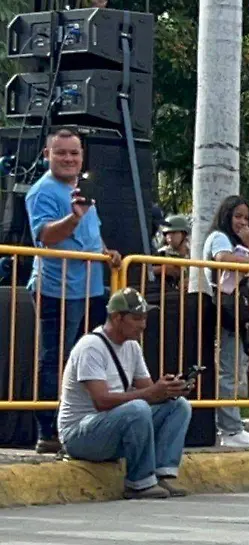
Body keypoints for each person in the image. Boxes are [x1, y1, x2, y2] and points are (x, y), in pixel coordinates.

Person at [25, 127, 123, 454]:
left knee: (90, 358)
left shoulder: (84, 188)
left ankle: (82, 425)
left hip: (92, 289)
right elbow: (46, 236)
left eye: (74, 153)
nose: (69, 159)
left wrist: (107, 252)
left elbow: (91, 235)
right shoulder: (41, 191)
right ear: (47, 156)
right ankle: (48, 431)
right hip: (56, 289)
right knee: (55, 359)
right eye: (61, 153)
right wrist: (73, 217)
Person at [58, 288, 192, 499]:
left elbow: (148, 390)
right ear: (116, 318)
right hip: (79, 434)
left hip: (110, 426)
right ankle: (139, 483)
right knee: (137, 408)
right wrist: (150, 393)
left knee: (179, 405)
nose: (143, 325)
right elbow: (102, 401)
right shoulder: (91, 347)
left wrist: (169, 390)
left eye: (145, 318)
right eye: (137, 318)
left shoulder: (132, 347)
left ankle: (162, 474)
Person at [202, 195, 249, 448]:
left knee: (234, 369)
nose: (241, 222)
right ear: (226, 215)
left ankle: (232, 426)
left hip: (238, 312)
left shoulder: (243, 243)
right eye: (237, 216)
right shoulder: (219, 237)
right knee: (228, 371)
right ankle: (230, 429)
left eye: (246, 218)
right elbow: (223, 258)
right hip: (224, 309)